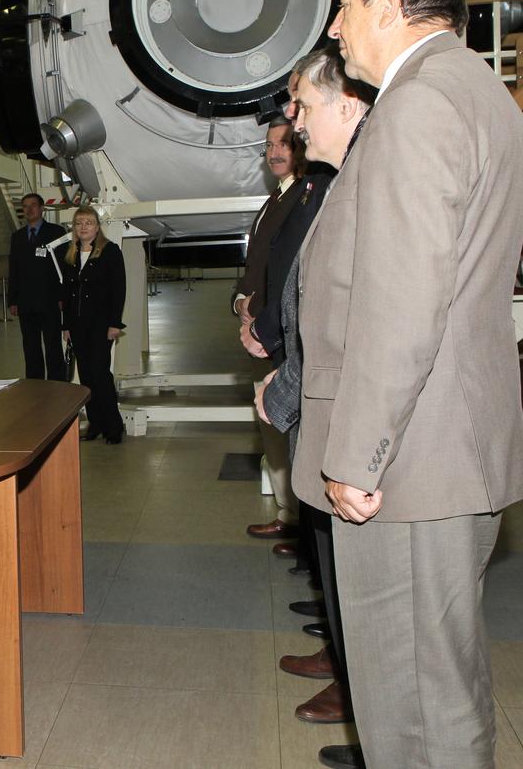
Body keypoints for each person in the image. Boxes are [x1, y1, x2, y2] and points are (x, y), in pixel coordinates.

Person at [295, 0, 523, 768]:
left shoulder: (420, 102)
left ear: (389, 5)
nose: (336, 26)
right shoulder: (477, 90)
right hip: (445, 448)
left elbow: (404, 296)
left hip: (413, 462)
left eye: (346, 3)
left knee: (413, 706)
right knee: (441, 686)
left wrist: (359, 453)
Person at [252, 47, 371, 763]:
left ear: (347, 105)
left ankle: (368, 710)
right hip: (317, 391)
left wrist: (287, 384)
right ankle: (352, 678)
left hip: (348, 409)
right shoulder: (324, 182)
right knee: (337, 566)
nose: (293, 124)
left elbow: (346, 310)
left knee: (382, 605)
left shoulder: (353, 181)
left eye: (301, 107)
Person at [237, 116, 306, 551]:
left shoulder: (303, 198)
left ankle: (297, 518)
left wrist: (263, 322)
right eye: (269, 145)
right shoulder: (272, 201)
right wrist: (241, 304)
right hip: (263, 330)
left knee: (285, 425)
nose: (275, 152)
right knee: (272, 426)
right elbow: (254, 270)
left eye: (284, 144)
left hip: (284, 337)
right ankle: (290, 514)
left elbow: (290, 276)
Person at [60, 207, 125, 444]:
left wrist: (115, 323)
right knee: (86, 376)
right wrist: (66, 325)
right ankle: (95, 423)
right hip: (77, 326)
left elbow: (119, 290)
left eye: (88, 222)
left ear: (97, 226)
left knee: (100, 374)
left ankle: (114, 426)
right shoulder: (70, 255)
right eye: (79, 223)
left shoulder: (110, 252)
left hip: (101, 325)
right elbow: (67, 294)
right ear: (74, 228)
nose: (83, 227)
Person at [7, 193, 66, 380]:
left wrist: (62, 297)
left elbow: (64, 267)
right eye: (25, 206)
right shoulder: (17, 237)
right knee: (30, 348)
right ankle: (34, 386)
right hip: (26, 303)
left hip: (50, 301)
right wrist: (13, 300)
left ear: (42, 208)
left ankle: (57, 384)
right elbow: (13, 269)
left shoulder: (56, 232)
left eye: (33, 205)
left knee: (53, 347)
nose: (29, 209)